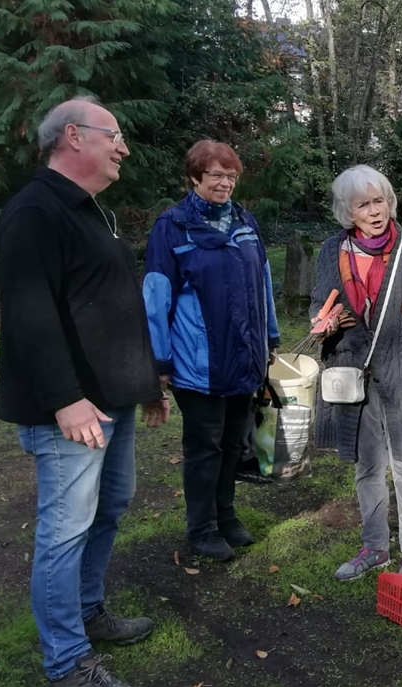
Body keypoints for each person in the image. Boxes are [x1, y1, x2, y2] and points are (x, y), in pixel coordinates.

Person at [0, 96, 170, 687]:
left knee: (110, 507)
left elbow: (111, 304)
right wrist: (66, 399)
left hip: (113, 400)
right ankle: (66, 666)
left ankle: (88, 609)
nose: (123, 147)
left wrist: (145, 381)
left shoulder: (87, 210)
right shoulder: (35, 211)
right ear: (73, 136)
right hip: (71, 409)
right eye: (114, 136)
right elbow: (28, 313)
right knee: (64, 530)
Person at [143, 140, 280, 562]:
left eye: (231, 176)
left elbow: (263, 284)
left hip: (244, 357)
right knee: (205, 446)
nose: (225, 183)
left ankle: (226, 516)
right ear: (194, 177)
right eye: (217, 175)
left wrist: (270, 338)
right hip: (197, 363)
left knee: (234, 442)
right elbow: (156, 296)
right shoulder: (173, 227)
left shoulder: (243, 221)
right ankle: (200, 528)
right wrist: (160, 362)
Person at [309, 165, 402, 580]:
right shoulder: (333, 250)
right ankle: (375, 547)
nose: (375, 211)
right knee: (367, 466)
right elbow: (318, 302)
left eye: (379, 200)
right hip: (353, 373)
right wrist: (322, 321)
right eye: (363, 204)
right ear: (348, 210)